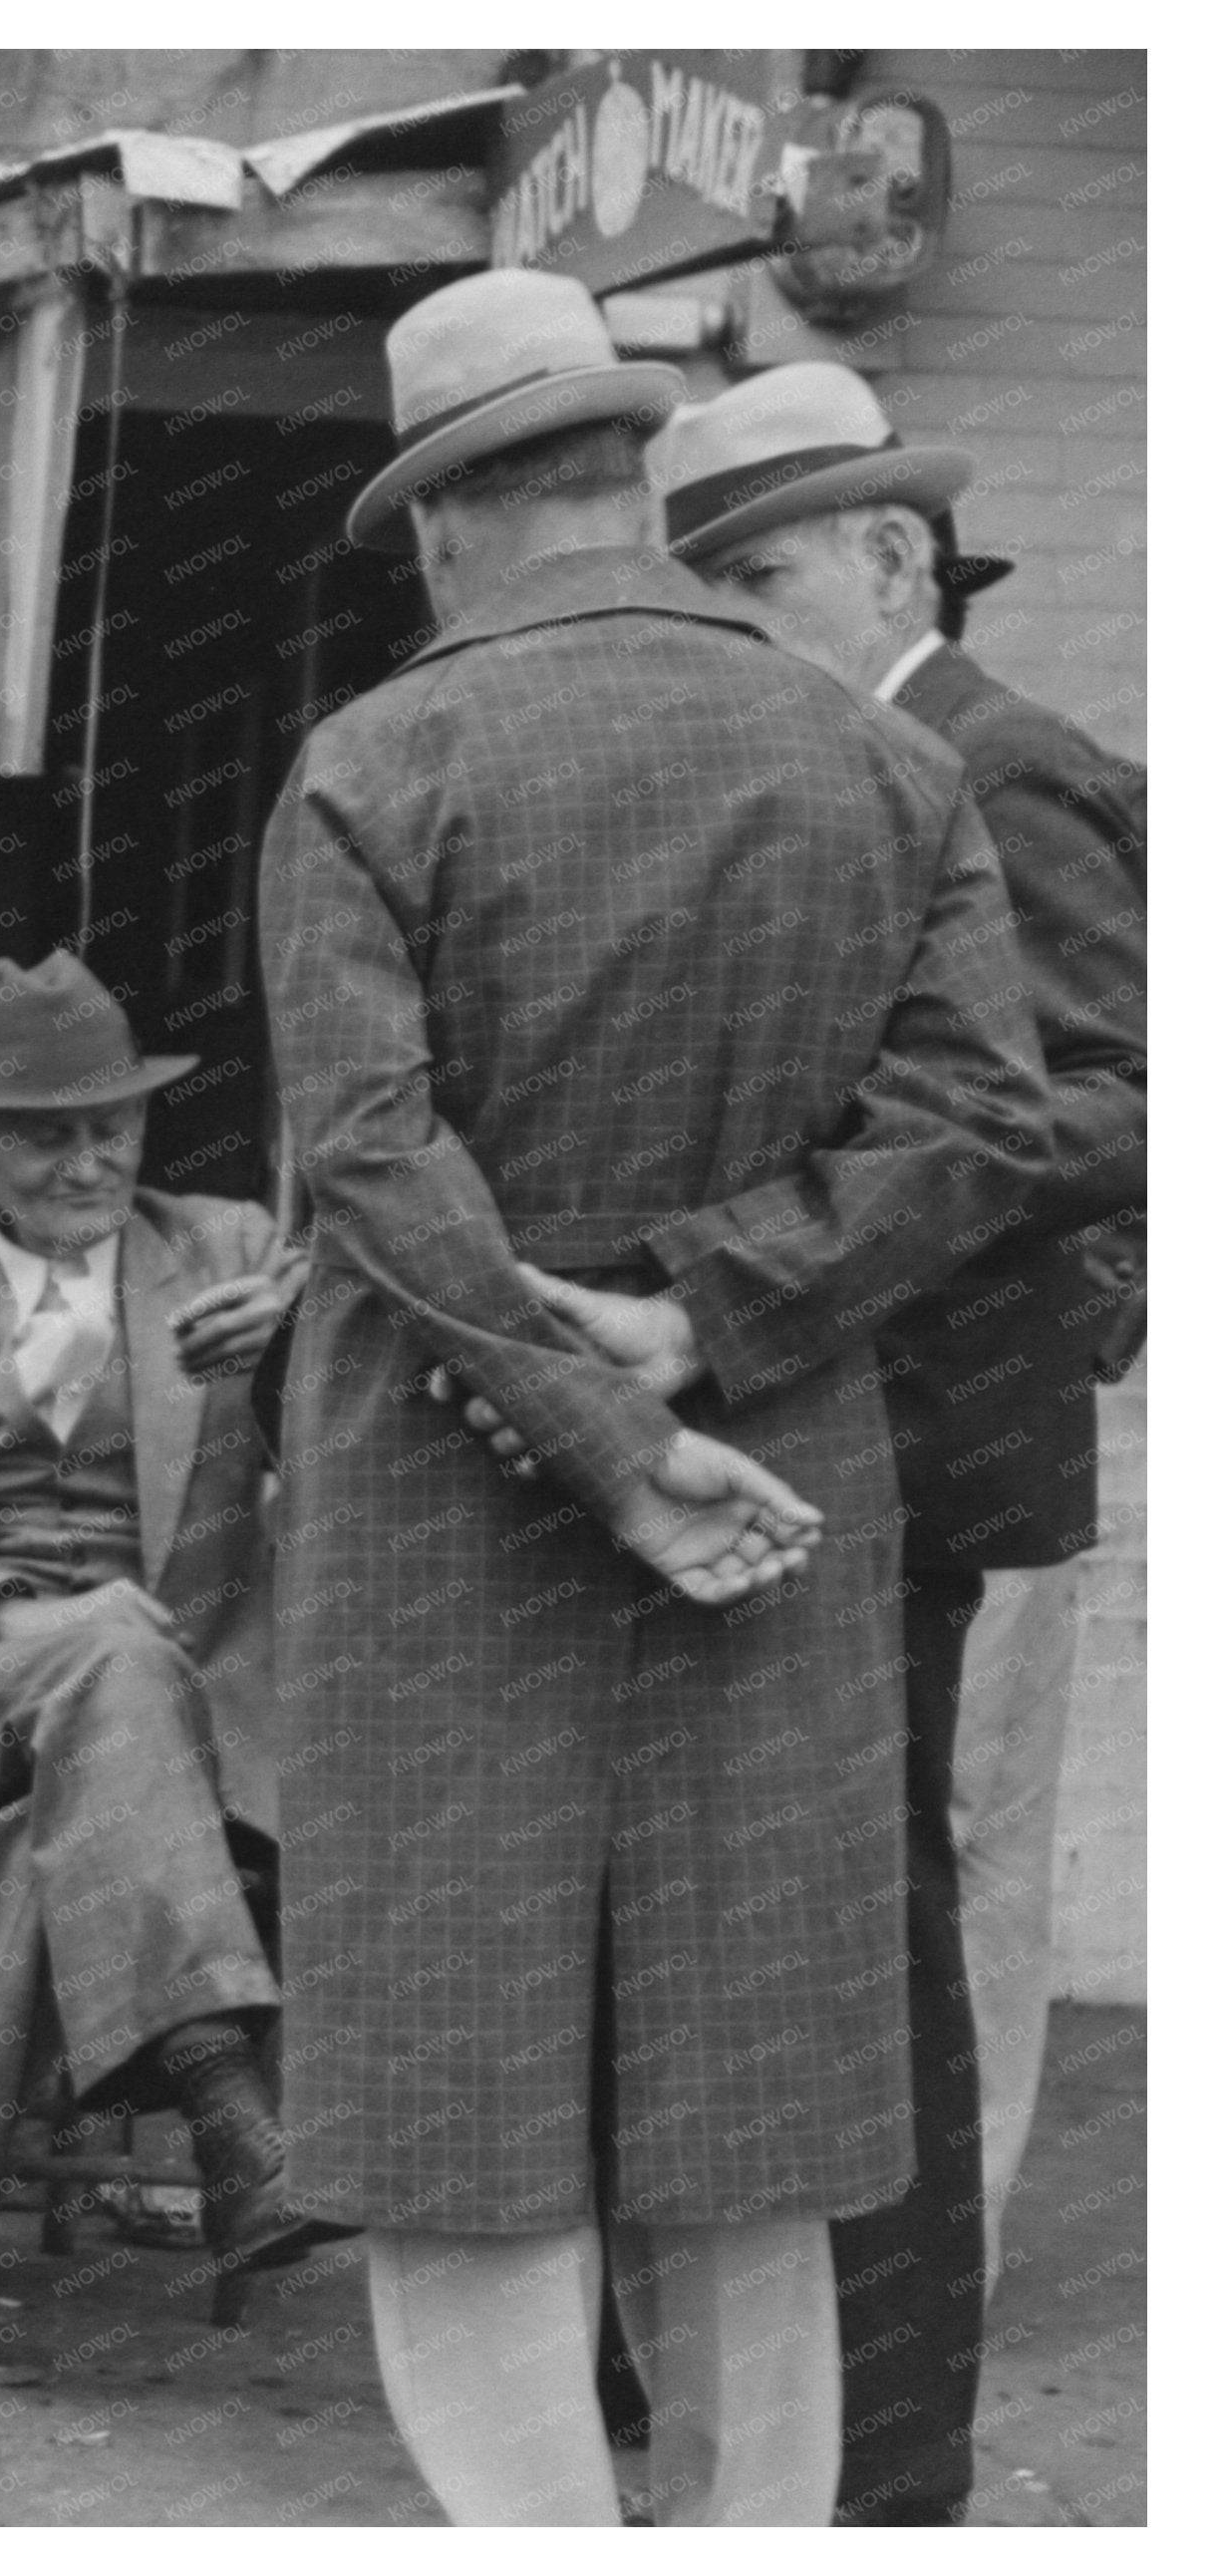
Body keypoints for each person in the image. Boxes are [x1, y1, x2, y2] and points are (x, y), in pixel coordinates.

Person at [258, 270, 1048, 2527]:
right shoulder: (884, 760)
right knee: (752, 2111)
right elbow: (982, 1122)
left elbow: (370, 1160)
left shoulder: (371, 766)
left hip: (439, 1490)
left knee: (458, 2098)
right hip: (785, 1472)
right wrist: (702, 1325)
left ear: (436, 525)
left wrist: (598, 1429)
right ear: (636, 482)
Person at [642, 365, 1144, 2525]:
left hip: (942, 1436)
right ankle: (811, 2432)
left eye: (757, 575)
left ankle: (893, 2460)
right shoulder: (849, 756)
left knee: (917, 1951)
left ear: (886, 557)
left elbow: (1116, 1093)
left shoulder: (999, 764)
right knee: (844, 1943)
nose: (738, 627)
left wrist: (846, 1200)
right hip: (850, 1420)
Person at [0, 953, 322, 2386]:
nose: (88, 1159)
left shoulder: (226, 1253)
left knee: (32, 1853)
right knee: (100, 1648)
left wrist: (297, 1360)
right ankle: (224, 2085)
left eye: (112, 1125)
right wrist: (9, 1616)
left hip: (183, 1742)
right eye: (43, 1132)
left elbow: (368, 1451)